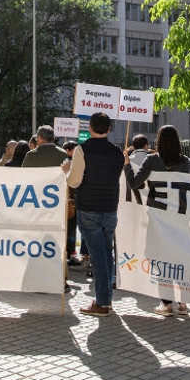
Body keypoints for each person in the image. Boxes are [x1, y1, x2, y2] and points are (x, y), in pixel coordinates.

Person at [123, 125, 190, 316]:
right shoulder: (185, 161)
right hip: (179, 217)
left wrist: (127, 164)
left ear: (158, 141)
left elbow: (135, 183)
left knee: (161, 259)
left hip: (159, 217)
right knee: (181, 257)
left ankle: (167, 304)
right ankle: (184, 302)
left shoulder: (152, 160)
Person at [63, 112, 122, 317]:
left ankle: (103, 303)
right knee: (106, 253)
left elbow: (74, 182)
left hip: (89, 207)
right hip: (110, 208)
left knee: (98, 256)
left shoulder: (82, 150)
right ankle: (105, 299)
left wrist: (67, 171)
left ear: (90, 127)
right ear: (109, 129)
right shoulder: (117, 152)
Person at [22, 125, 75, 287]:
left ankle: (37, 278)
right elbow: (70, 180)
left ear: (39, 138)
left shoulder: (31, 156)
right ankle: (61, 279)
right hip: (57, 206)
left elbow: (23, 179)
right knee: (58, 243)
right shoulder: (63, 155)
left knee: (37, 242)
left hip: (36, 206)